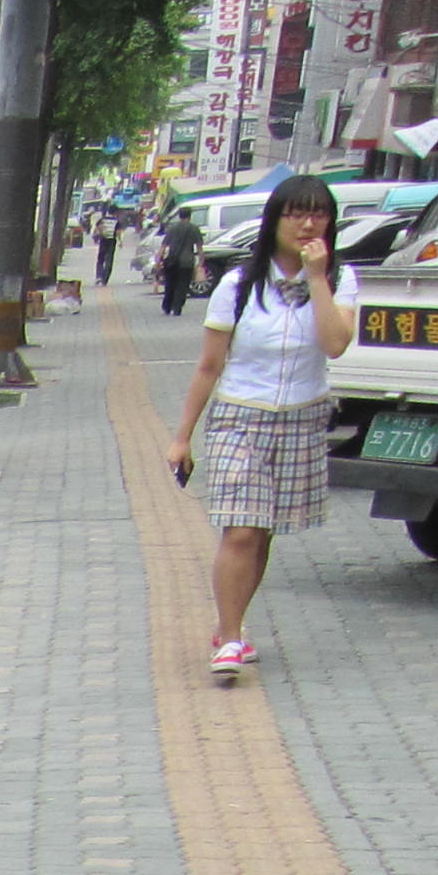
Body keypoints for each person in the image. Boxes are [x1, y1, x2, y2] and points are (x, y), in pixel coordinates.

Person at [168, 174, 357, 684]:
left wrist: (317, 278)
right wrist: (182, 436)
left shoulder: (340, 279)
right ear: (274, 220)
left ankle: (231, 625)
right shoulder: (238, 285)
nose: (307, 224)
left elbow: (335, 344)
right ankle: (230, 637)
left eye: (318, 214)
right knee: (242, 528)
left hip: (302, 418)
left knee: (263, 531)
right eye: (296, 213)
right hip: (240, 416)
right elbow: (209, 365)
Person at [158, 207, 203, 318]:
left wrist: (159, 259)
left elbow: (164, 246)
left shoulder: (172, 228)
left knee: (170, 284)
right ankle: (177, 307)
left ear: (179, 216)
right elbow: (199, 247)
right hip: (187, 261)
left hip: (172, 260)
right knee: (183, 285)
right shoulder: (194, 228)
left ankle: (167, 306)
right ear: (190, 215)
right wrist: (201, 262)